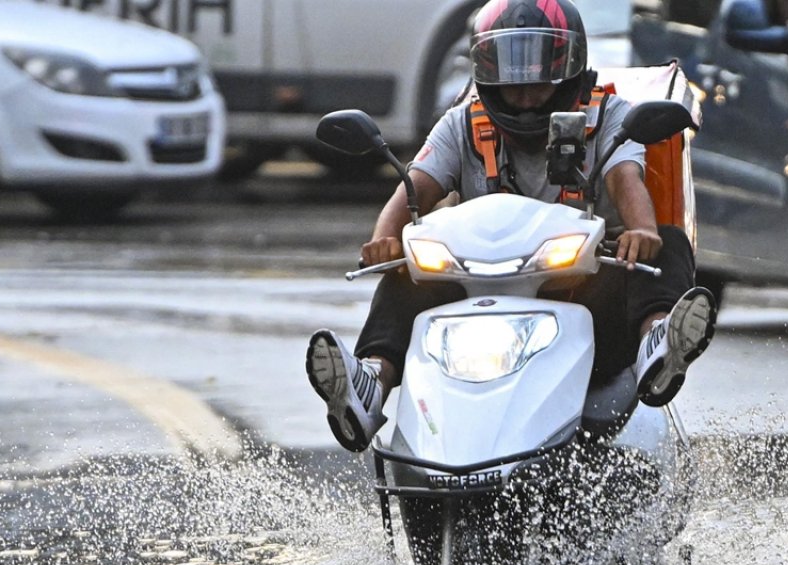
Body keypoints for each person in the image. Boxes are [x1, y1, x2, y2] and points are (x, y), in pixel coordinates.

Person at [306, 0, 716, 452]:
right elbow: (412, 188)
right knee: (406, 272)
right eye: (510, 74)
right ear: (486, 70)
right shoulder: (461, 122)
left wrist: (644, 230)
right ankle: (372, 382)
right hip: (480, 298)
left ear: (569, 67)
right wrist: (383, 241)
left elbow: (626, 179)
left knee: (669, 243)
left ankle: (656, 342)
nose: (523, 91)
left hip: (587, 296)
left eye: (538, 77)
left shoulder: (610, 116)